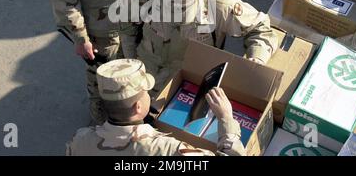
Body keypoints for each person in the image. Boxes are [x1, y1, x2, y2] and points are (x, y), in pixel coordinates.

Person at [137, 0, 278, 96]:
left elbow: (260, 28)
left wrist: (256, 59)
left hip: (188, 85)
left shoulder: (219, 4)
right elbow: (125, 29)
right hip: (141, 80)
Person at [66, 59, 246, 156]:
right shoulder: (167, 149)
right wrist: (227, 119)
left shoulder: (79, 140)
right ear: (138, 107)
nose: (150, 96)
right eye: (146, 92)